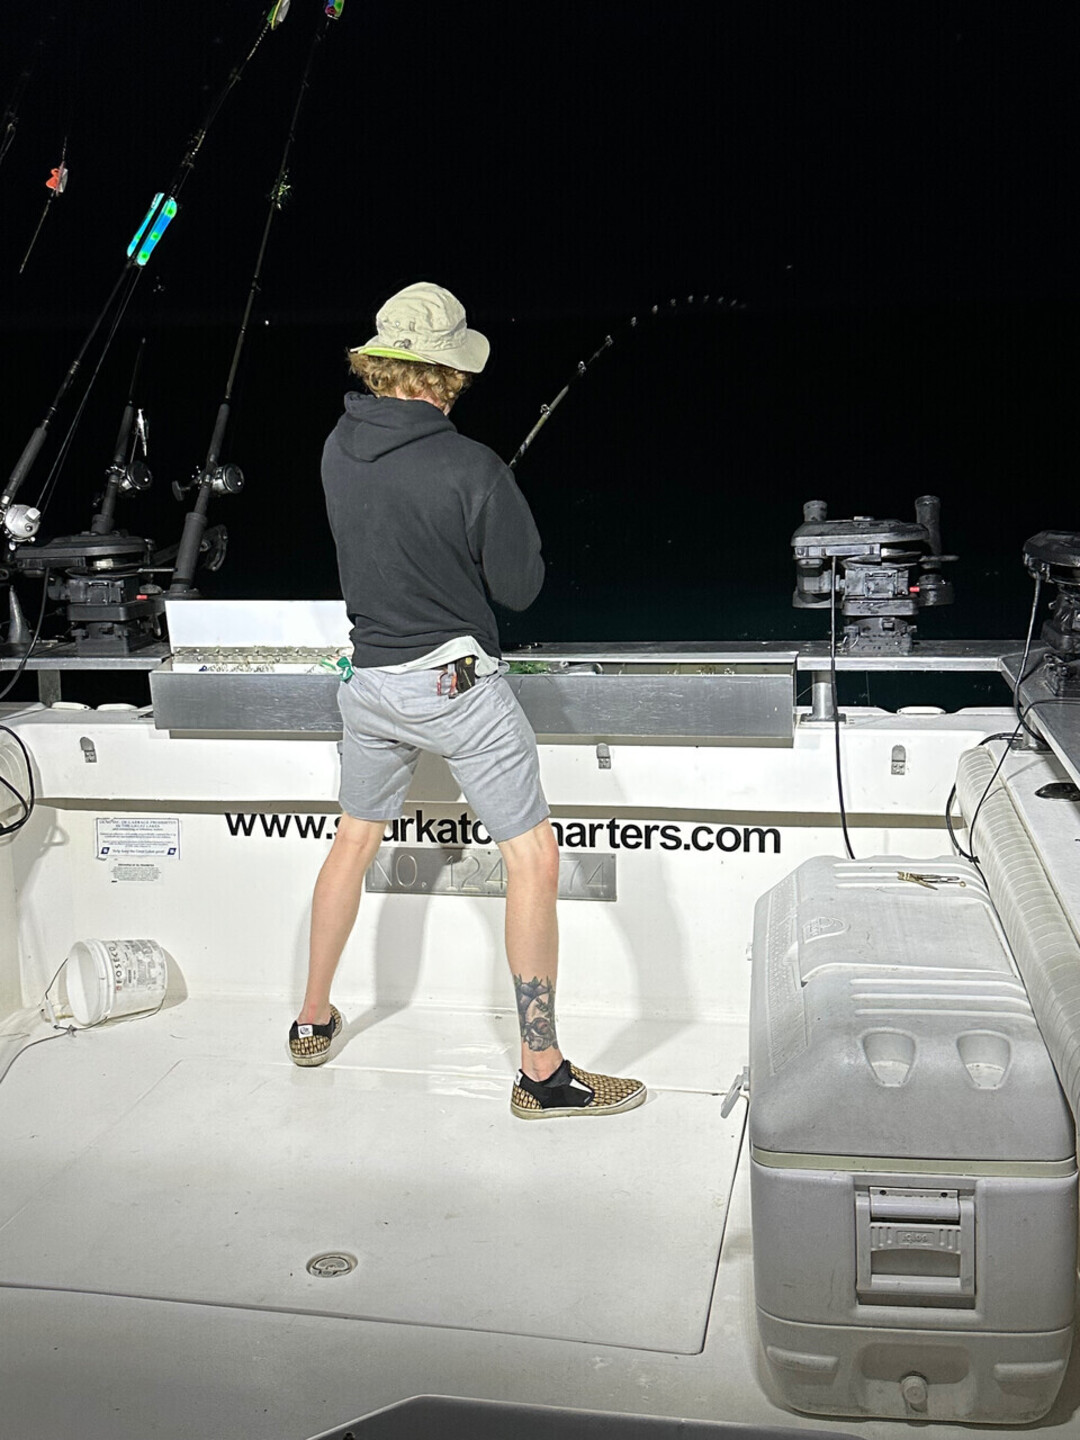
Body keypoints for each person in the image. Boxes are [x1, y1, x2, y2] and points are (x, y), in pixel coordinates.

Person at [288, 282, 645, 1120]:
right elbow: (519, 588)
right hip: (454, 689)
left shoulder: (338, 447)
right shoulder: (472, 466)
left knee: (353, 841)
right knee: (535, 858)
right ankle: (542, 1072)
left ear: (380, 364)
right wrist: (498, 509)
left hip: (368, 686)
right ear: (448, 373)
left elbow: (396, 542)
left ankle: (310, 1020)